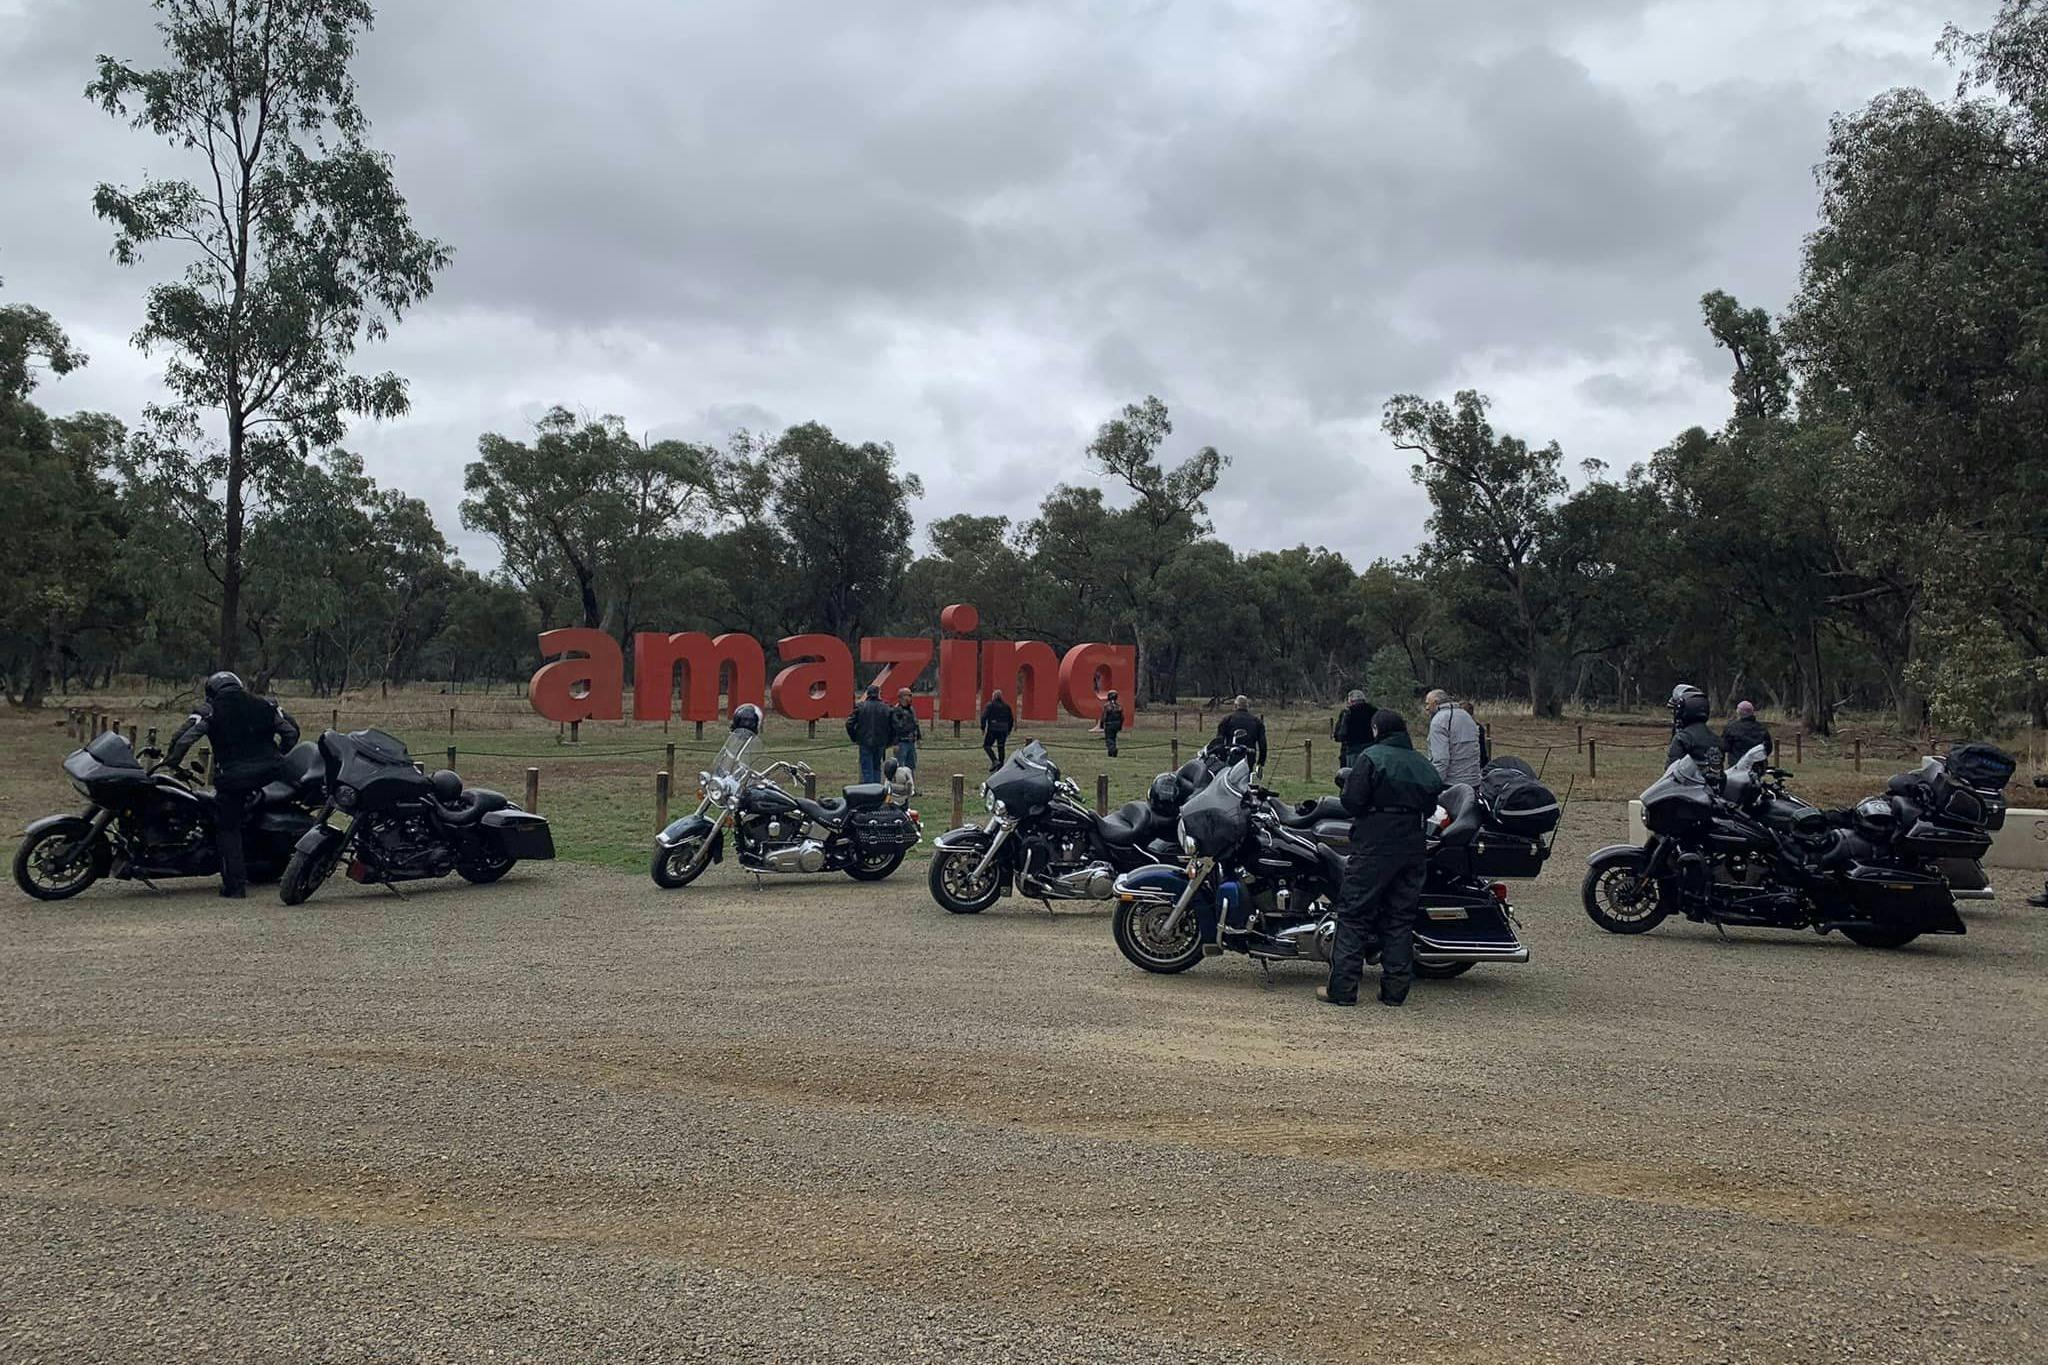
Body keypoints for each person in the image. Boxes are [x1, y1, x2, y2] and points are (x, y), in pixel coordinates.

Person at [1318, 709, 1445, 1008]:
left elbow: (1352, 801)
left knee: (1354, 914)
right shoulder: (1422, 763)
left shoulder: (1372, 757)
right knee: (1399, 919)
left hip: (1375, 844)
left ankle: (1343, 990)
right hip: (1412, 845)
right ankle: (1395, 992)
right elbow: (1431, 805)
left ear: (1377, 730)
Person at [164, 671, 300, 898]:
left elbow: (184, 738)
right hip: (274, 772)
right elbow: (291, 732)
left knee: (228, 827)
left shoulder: (210, 711)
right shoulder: (266, 704)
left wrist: (171, 762)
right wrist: (279, 754)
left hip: (234, 778)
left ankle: (234, 886)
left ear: (211, 692)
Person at [1425, 689, 1483, 788]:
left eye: (1428, 704)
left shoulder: (1439, 721)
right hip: (1474, 782)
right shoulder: (1466, 716)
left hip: (1451, 784)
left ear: (1435, 703)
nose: (1426, 708)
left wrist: (1432, 785)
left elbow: (1441, 760)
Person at [846, 685, 896, 784]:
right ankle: (877, 791)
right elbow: (893, 726)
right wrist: (889, 741)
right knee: (877, 767)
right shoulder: (886, 708)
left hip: (864, 741)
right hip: (881, 742)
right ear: (878, 694)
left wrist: (855, 737)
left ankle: (869, 792)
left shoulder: (861, 706)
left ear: (868, 694)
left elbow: (849, 723)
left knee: (866, 769)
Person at [1667, 684, 1720, 771]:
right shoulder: (1715, 738)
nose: (1674, 714)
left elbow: (1671, 771)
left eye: (1676, 710)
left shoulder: (1683, 739)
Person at [1215, 695, 1268, 771]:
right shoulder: (1257, 722)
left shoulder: (1227, 720)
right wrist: (1261, 763)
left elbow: (1219, 741)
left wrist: (1221, 756)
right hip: (1249, 758)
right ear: (1247, 706)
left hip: (1230, 757)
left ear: (1235, 706)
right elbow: (1263, 744)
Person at [1720, 700, 1773, 765]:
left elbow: (1724, 746)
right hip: (1757, 767)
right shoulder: (1761, 728)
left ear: (1738, 712)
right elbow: (1768, 748)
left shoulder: (1731, 727)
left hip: (1737, 766)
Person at [1332, 690, 1374, 768]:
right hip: (1371, 751)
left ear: (1350, 701)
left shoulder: (1347, 713)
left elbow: (1340, 736)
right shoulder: (1374, 711)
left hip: (1351, 752)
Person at [890, 687, 922, 777]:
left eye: (910, 695)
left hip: (911, 742)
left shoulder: (911, 710)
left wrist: (919, 737)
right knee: (900, 766)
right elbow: (894, 728)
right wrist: (895, 743)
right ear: (900, 697)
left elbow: (916, 724)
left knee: (911, 766)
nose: (909, 698)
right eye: (907, 695)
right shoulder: (896, 710)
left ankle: (911, 786)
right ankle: (899, 786)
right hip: (901, 742)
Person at [980, 690, 1014, 770]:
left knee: (987, 745)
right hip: (1004, 729)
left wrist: (983, 728)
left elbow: (984, 717)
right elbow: (1011, 719)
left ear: (993, 697)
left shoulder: (990, 705)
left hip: (993, 728)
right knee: (1001, 747)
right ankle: (1001, 765)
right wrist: (1009, 730)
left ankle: (995, 761)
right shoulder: (1006, 706)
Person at [1100, 690, 1125, 757]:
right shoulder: (1119, 707)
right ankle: (1111, 752)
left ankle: (1112, 749)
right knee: (1113, 738)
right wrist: (1120, 725)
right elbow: (1122, 717)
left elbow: (1104, 716)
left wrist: (1102, 724)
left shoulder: (1107, 706)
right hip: (1117, 724)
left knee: (1109, 738)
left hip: (1109, 724)